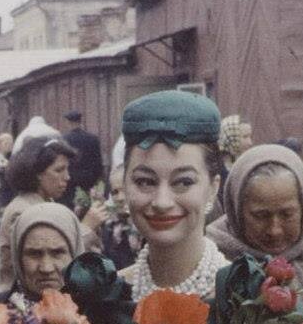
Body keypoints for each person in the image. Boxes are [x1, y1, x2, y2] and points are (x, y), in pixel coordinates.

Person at [207, 144, 303, 307]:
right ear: (236, 209)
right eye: (261, 216)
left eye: (287, 214)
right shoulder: (208, 261)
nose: (274, 230)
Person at [117, 89, 229, 301]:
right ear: (124, 185)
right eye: (145, 181)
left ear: (213, 189)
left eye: (184, 182)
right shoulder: (108, 298)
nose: (162, 202)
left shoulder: (246, 302)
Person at [0, 136, 98, 293]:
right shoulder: (22, 210)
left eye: (67, 169)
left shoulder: (45, 203)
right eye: (59, 170)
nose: (67, 177)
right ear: (37, 173)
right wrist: (86, 226)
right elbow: (50, 253)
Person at [100, 164, 142, 271]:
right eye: (115, 192)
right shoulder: (110, 227)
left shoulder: (151, 224)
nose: (120, 198)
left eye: (125, 190)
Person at [62, 110, 104, 209]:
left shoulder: (63, 139)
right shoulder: (93, 139)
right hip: (88, 181)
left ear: (68, 122)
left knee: (70, 208)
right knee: (88, 207)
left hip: (69, 181)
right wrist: (96, 180)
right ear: (80, 122)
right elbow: (98, 163)